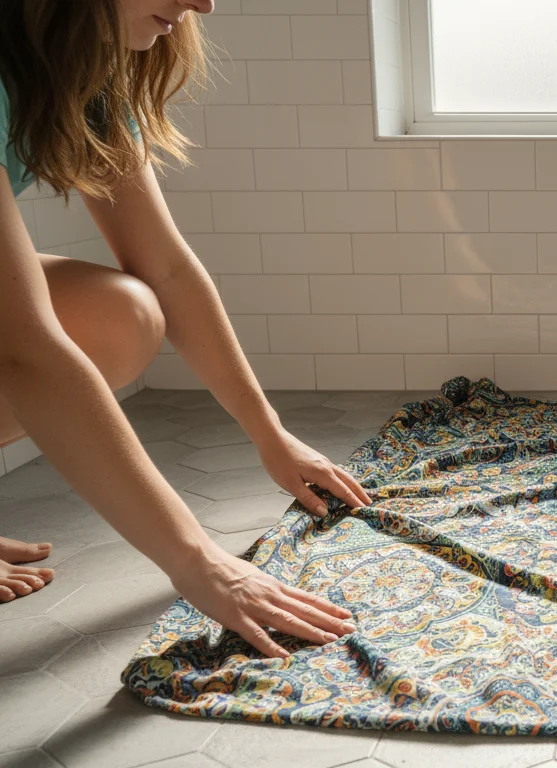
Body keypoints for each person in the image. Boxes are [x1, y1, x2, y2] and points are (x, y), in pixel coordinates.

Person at [0, 0, 373, 658]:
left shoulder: (80, 72)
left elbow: (165, 269)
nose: (202, 3)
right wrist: (198, 560)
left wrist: (270, 433)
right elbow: (29, 350)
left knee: (124, 314)